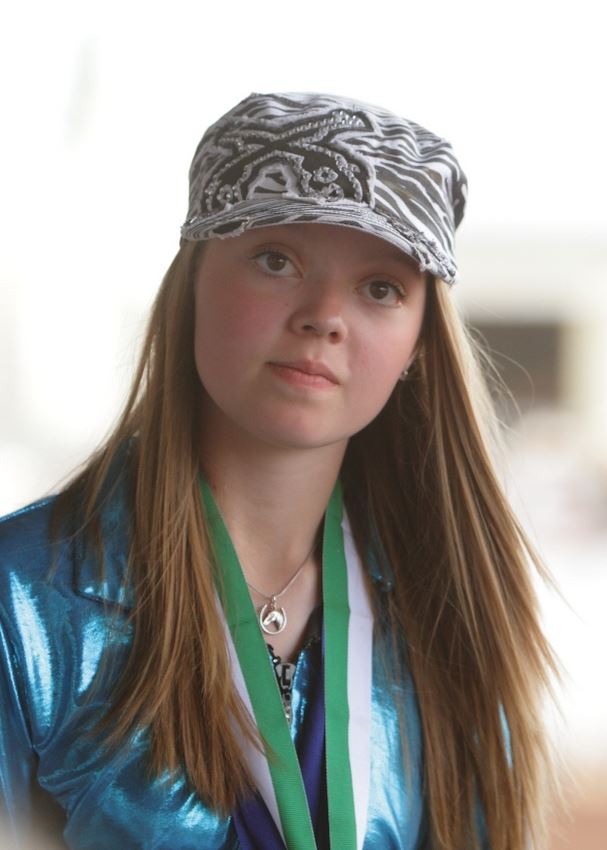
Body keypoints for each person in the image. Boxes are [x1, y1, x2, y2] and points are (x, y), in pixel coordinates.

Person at [0, 92, 556, 850]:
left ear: (418, 346)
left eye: (380, 288)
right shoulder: (23, 601)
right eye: (276, 260)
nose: (324, 314)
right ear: (190, 282)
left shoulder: (448, 608)